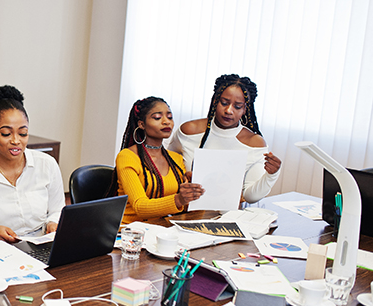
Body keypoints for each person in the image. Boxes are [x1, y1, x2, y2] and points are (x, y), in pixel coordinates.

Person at [0, 85, 65, 245]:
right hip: (0, 249)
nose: (16, 141)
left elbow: (58, 210)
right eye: (6, 134)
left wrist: (52, 223)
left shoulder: (47, 165)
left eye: (23, 133)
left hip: (42, 245)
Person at [169, 74, 282, 203]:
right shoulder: (189, 131)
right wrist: (182, 180)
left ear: (245, 109)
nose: (228, 110)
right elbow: (165, 168)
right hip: (184, 209)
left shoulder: (254, 143)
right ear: (215, 101)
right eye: (224, 103)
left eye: (237, 106)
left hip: (227, 213)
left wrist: (271, 175)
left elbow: (251, 197)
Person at [115, 97, 204, 223]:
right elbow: (139, 207)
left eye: (170, 117)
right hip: (130, 230)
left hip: (163, 228)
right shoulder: (127, 157)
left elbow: (183, 208)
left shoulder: (176, 159)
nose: (166, 122)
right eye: (157, 117)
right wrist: (179, 199)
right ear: (141, 124)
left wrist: (193, 193)